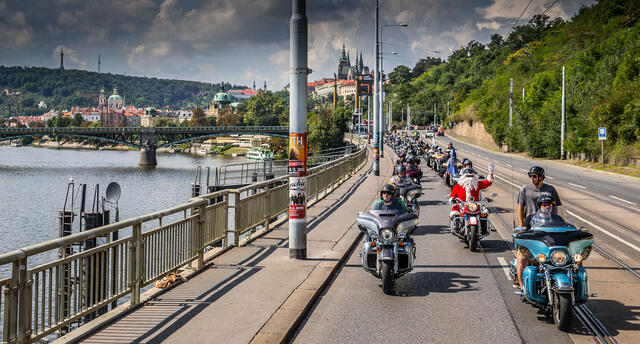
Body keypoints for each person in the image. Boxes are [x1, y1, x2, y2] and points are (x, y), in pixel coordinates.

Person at [514, 166, 562, 289]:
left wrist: (555, 223)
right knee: (521, 258)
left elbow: (555, 208)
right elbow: (521, 208)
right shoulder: (525, 189)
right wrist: (521, 226)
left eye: (534, 176)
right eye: (530, 176)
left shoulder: (550, 189)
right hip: (530, 228)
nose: (532, 178)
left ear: (541, 177)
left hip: (547, 227)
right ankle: (522, 287)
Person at [449, 166, 495, 230]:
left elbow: (487, 183)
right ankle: (455, 227)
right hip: (461, 205)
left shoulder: (477, 184)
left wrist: (491, 173)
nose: (470, 178)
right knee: (455, 214)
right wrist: (453, 199)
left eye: (472, 176)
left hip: (474, 205)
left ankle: (483, 229)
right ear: (463, 177)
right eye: (467, 176)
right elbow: (453, 195)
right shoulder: (458, 186)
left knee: (484, 213)